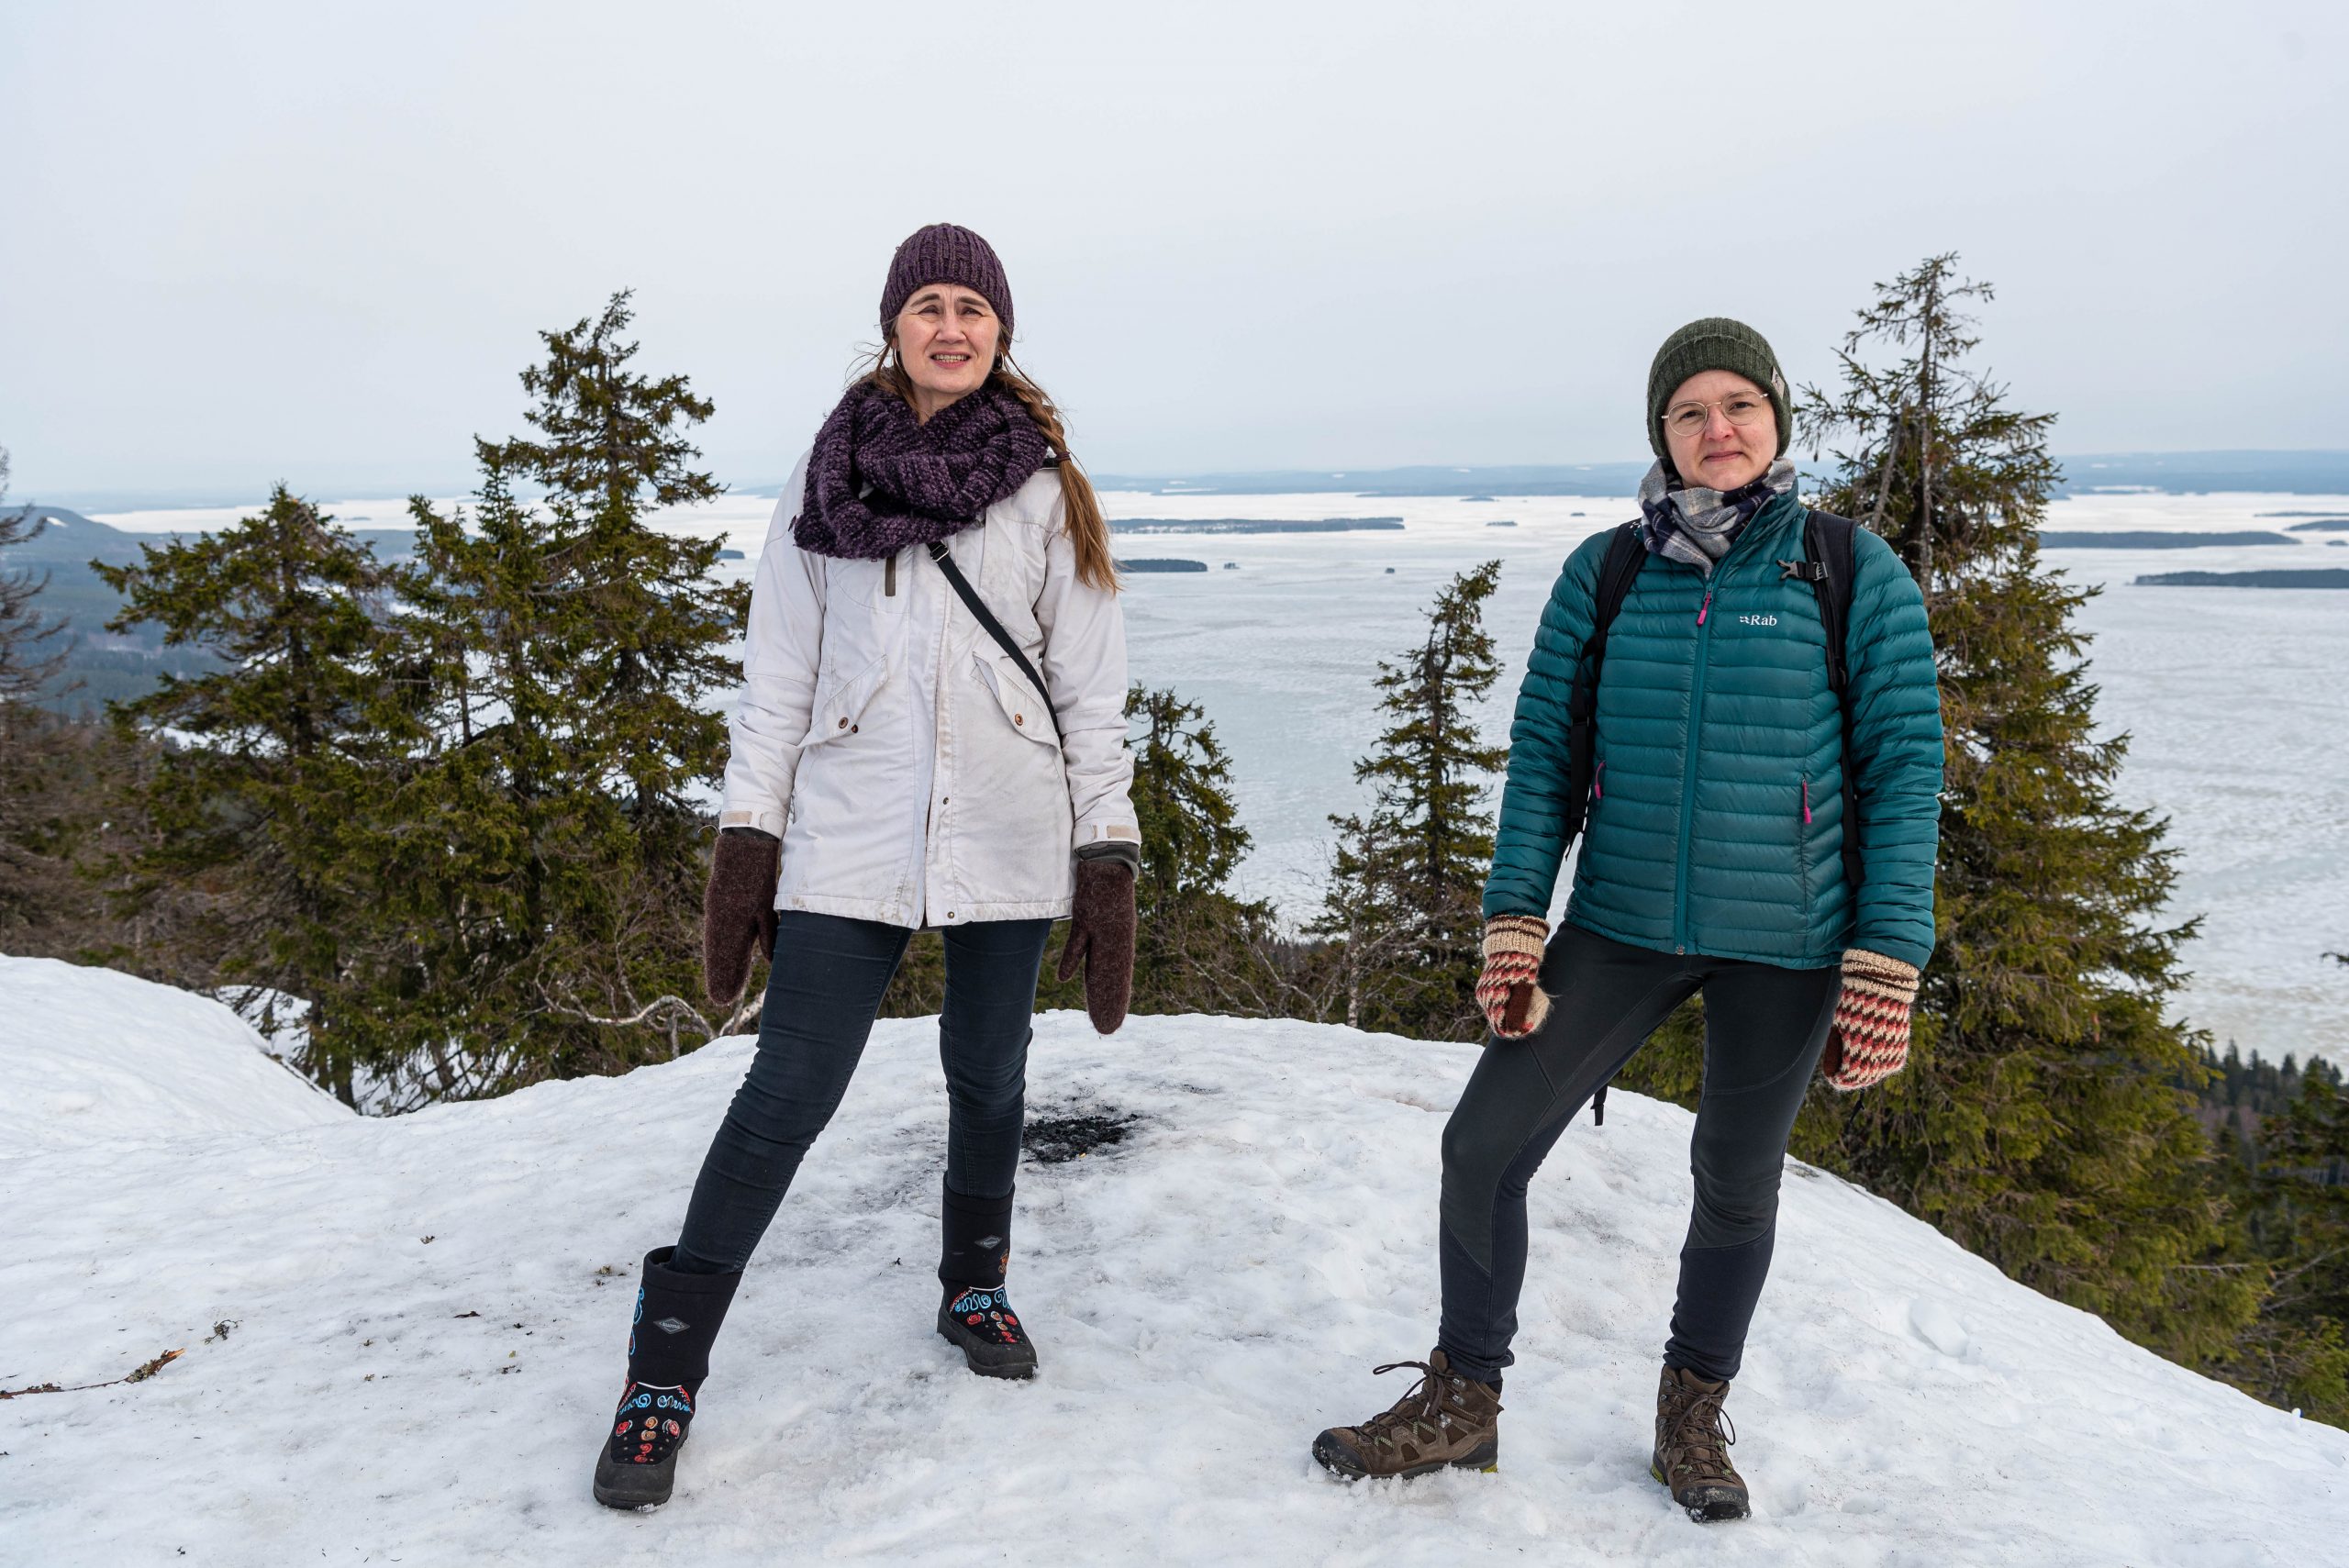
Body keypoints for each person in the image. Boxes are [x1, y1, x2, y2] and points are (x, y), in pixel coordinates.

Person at [1308, 317, 1943, 1522]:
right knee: (1481, 1146)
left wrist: (1887, 955)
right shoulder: (1608, 573)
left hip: (1793, 938)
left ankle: (1693, 1414)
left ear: (1776, 421)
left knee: (1734, 1179)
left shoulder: (1848, 570)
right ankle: (1464, 1397)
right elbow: (1545, 756)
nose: (1718, 429)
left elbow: (1907, 767)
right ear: (1662, 431)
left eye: (1738, 406)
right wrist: (1513, 918)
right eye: (1691, 410)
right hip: (1621, 919)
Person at [593, 224, 1141, 1510]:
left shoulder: (1045, 486)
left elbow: (1091, 691)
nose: (952, 327)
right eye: (928, 305)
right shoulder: (824, 472)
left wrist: (1106, 852)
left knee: (990, 1072)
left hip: (1007, 822)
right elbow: (776, 678)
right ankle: (661, 1372)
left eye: (974, 308)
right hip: (846, 833)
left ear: (1003, 331)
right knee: (786, 1090)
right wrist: (748, 840)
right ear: (893, 323)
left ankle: (976, 1284)